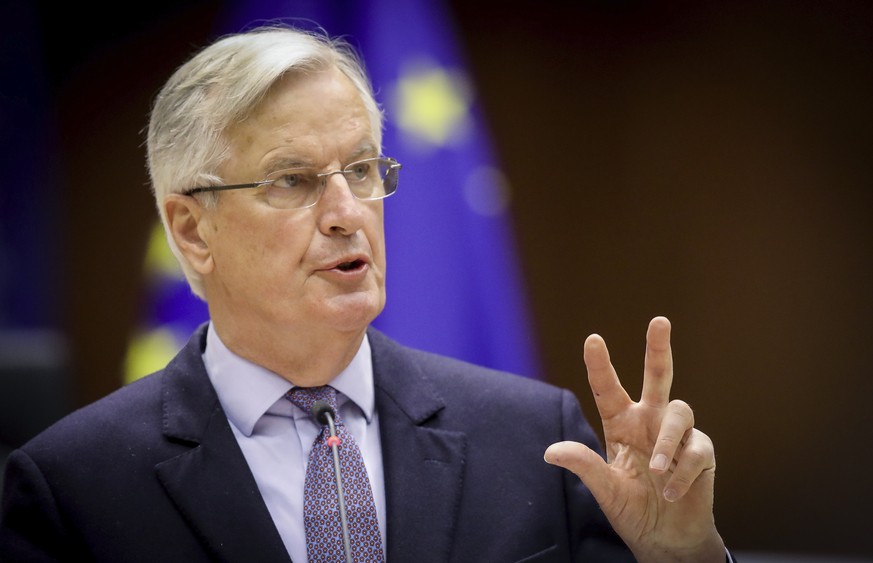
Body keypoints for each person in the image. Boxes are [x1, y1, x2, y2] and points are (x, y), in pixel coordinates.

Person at [0, 25, 730, 562]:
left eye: (360, 170)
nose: (347, 211)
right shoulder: (72, 489)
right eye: (292, 179)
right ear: (192, 230)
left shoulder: (535, 439)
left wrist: (683, 557)